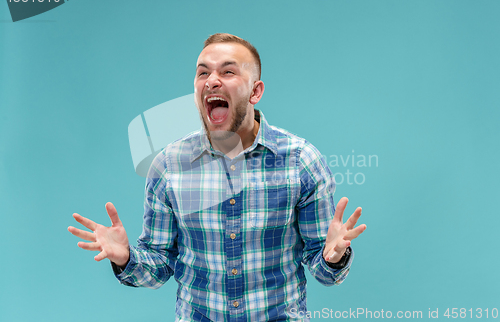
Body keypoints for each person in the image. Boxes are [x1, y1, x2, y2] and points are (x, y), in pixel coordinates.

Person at [68, 33, 367, 321]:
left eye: (227, 72)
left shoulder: (301, 161)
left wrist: (333, 257)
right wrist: (126, 258)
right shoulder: (168, 166)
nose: (212, 81)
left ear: (255, 91)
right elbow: (158, 265)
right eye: (203, 73)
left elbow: (324, 268)